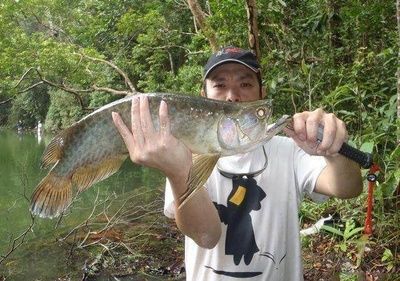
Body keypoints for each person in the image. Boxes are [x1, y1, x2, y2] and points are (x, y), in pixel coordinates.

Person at [112, 46, 363, 280]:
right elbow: (206, 235)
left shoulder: (290, 151)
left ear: (261, 94)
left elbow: (348, 188)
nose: (232, 96)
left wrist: (333, 150)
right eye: (219, 85)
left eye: (245, 83)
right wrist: (178, 172)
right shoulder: (182, 156)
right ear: (203, 96)